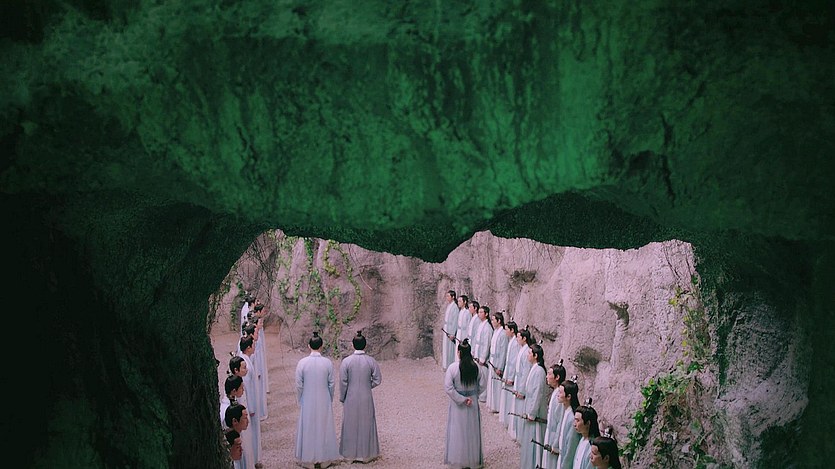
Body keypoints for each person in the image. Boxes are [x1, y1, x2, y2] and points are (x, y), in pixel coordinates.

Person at [295, 331, 341, 468]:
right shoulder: (327, 363)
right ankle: (324, 458)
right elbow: (331, 383)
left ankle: (308, 459)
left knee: (308, 425)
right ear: (321, 346)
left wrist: (300, 398)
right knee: (324, 426)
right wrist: (329, 397)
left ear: (309, 346)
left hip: (307, 397)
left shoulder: (302, 363)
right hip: (323, 397)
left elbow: (299, 384)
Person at [339, 331, 383, 462]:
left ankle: (349, 454)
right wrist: (368, 385)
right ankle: (366, 454)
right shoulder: (370, 361)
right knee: (366, 422)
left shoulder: (346, 362)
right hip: (366, 395)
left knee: (350, 423)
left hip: (351, 395)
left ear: (353, 345)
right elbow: (377, 379)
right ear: (365, 345)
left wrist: (342, 396)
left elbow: (343, 381)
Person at [444, 339, 488, 468]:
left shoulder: (453, 368)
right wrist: (474, 394)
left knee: (458, 430)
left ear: (459, 353)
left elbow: (448, 388)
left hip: (458, 405)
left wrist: (461, 399)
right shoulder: (476, 368)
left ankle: (459, 459)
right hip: (472, 402)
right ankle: (472, 459)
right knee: (472, 431)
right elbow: (483, 384)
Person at [519, 343, 548, 469]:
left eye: (530, 353)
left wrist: (532, 413)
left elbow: (537, 393)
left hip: (535, 412)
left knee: (534, 437)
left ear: (535, 356)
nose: (528, 355)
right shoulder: (534, 368)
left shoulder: (539, 371)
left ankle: (533, 464)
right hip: (529, 407)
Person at [238, 335, 262, 468]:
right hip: (248, 403)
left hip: (252, 400)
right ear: (248, 348)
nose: (254, 347)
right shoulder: (244, 363)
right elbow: (246, 387)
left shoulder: (246, 359)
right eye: (252, 345)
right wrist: (251, 407)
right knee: (250, 433)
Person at [541, 362, 567, 469]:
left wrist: (555, 443)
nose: (547, 376)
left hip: (554, 435)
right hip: (550, 432)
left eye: (549, 374)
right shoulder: (555, 392)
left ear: (557, 377)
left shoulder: (559, 396)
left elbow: (560, 421)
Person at [511, 328, 534, 441]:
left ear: (524, 338)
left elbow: (525, 372)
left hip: (521, 383)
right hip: (518, 380)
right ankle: (517, 433)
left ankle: (521, 435)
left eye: (519, 337)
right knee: (516, 408)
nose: (517, 338)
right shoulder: (522, 349)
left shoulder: (526, 351)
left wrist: (521, 390)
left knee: (520, 409)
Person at [553, 379, 581, 469]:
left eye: (560, 392)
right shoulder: (565, 411)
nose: (558, 395)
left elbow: (571, 447)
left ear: (568, 396)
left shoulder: (572, 418)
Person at [486, 311, 509, 413]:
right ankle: (493, 405)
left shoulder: (503, 334)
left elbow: (503, 351)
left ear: (499, 321)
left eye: (493, 320)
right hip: (492, 360)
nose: (492, 321)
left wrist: (500, 366)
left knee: (497, 385)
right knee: (492, 383)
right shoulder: (495, 332)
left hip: (498, 362)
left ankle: (498, 407)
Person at [501, 321, 521, 433]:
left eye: (507, 329)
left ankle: (509, 420)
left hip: (512, 374)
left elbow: (514, 362)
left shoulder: (515, 343)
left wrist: (510, 377)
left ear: (512, 330)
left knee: (509, 399)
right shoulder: (511, 341)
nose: (505, 331)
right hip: (508, 371)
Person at [572, 400, 601, 469]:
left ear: (588, 423)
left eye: (578, 420)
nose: (574, 424)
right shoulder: (582, 439)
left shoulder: (592, 446)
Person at [472, 305, 492, 402]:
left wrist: (483, 358)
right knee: (477, 375)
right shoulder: (480, 324)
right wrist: (474, 351)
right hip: (477, 354)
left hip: (482, 357)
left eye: (481, 312)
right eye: (479, 312)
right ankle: (478, 394)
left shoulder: (487, 327)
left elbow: (486, 344)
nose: (479, 314)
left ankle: (484, 396)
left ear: (486, 314)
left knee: (484, 377)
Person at [225, 404, 255, 469]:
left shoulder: (243, 437)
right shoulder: (232, 442)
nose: (248, 421)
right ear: (235, 421)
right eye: (245, 418)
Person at [442, 290, 459, 370]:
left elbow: (455, 321)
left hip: (450, 330)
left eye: (448, 296)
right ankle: (446, 364)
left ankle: (450, 365)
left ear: (453, 297)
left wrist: (452, 333)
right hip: (446, 328)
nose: (447, 298)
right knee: (446, 347)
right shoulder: (449, 306)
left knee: (450, 348)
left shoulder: (455, 307)